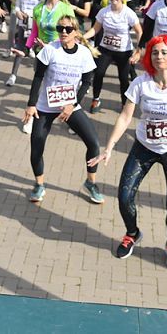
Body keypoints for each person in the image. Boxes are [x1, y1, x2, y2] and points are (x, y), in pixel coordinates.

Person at [91, 35, 167, 269]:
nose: (159, 57)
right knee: (125, 195)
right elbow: (126, 116)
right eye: (155, 52)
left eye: (164, 52)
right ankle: (132, 233)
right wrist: (109, 147)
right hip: (144, 147)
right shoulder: (141, 83)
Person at [22, 15, 103, 204]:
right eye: (60, 29)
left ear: (76, 31)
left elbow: (86, 82)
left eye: (67, 29)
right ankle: (39, 184)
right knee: (37, 145)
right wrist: (31, 104)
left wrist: (72, 105)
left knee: (94, 144)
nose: (63, 32)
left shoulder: (83, 53)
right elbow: (38, 78)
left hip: (70, 106)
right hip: (45, 106)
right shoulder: (50, 50)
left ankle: (90, 183)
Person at [83, 0, 141, 114]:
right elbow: (95, 29)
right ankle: (96, 99)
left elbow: (139, 31)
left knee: (123, 78)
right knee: (98, 73)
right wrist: (82, 37)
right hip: (106, 49)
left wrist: (138, 50)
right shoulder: (104, 12)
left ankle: (124, 103)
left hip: (123, 51)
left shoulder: (128, 13)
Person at [7, 0, 42, 87]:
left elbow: (43, 8)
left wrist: (33, 16)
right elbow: (16, 6)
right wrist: (18, 12)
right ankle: (13, 75)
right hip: (23, 24)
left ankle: (38, 77)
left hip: (36, 26)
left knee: (39, 52)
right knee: (19, 48)